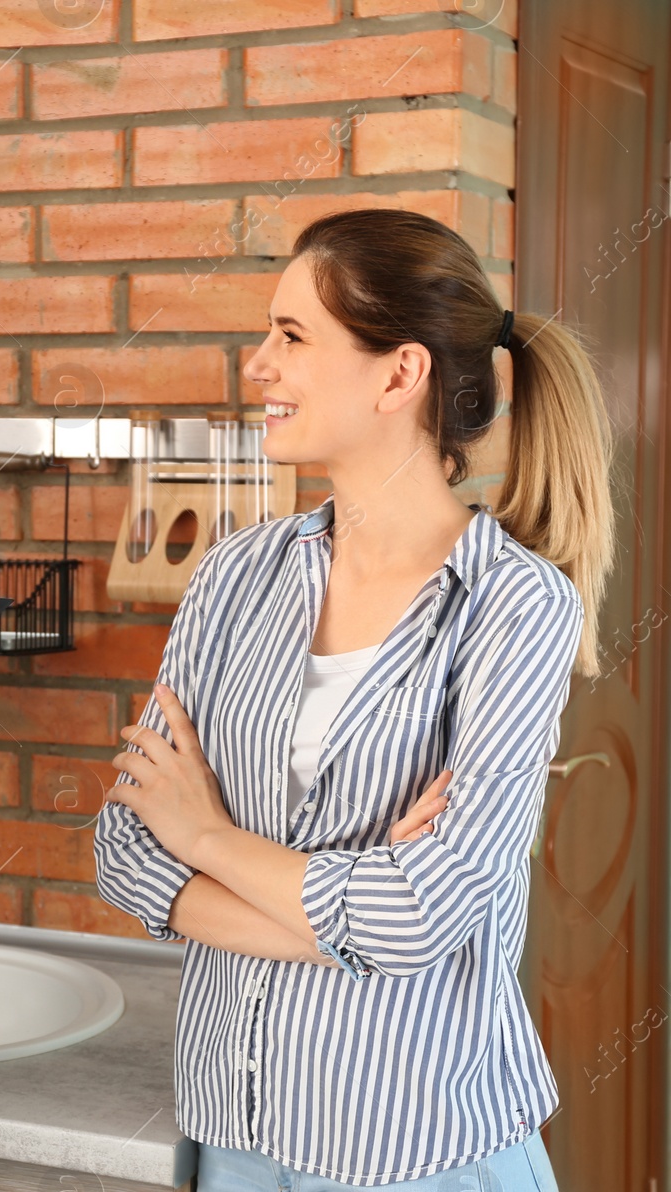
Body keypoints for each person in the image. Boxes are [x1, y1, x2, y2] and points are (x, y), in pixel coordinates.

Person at [96, 208, 614, 1188]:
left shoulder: (511, 606)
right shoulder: (233, 577)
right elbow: (123, 850)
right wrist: (348, 921)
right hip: (234, 1129)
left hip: (416, 1143)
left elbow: (423, 917)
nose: (257, 364)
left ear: (398, 373)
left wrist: (206, 837)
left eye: (291, 336)